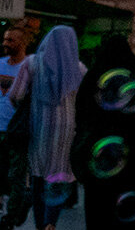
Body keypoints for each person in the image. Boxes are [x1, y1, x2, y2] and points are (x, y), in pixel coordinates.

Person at [7, 26, 85, 230]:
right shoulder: (78, 68)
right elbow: (83, 103)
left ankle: (41, 224)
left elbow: (15, 95)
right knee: (58, 176)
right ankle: (51, 222)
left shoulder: (32, 63)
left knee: (38, 177)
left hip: (38, 128)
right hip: (66, 132)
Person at [74, 34, 135, 230]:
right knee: (123, 203)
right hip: (128, 149)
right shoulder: (134, 76)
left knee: (98, 205)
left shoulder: (95, 75)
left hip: (97, 149)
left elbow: (82, 112)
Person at [0, 28, 30, 230]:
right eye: (4, 39)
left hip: (17, 132)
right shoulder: (0, 64)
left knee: (15, 176)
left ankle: (10, 217)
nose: (5, 43)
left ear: (22, 42)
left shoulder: (29, 67)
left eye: (10, 40)